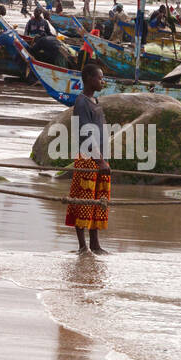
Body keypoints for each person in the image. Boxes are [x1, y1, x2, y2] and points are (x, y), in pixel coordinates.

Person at [66, 62, 111, 255]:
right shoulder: (82, 102)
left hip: (101, 157)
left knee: (98, 202)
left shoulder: (96, 101)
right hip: (88, 158)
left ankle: (95, 243)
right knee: (83, 202)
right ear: (89, 79)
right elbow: (86, 133)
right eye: (100, 78)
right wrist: (99, 160)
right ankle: (82, 246)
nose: (103, 81)